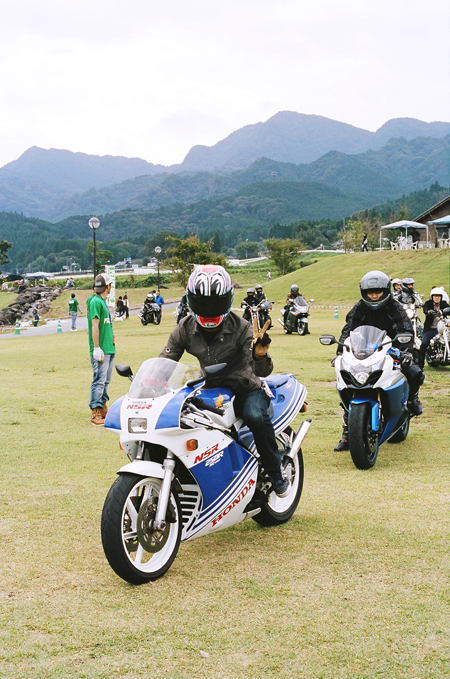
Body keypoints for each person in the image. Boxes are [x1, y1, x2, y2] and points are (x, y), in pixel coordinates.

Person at [159, 264, 290, 497]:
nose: (209, 310)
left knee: (255, 416)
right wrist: (152, 383)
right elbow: (166, 360)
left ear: (227, 299)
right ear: (191, 300)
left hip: (244, 389)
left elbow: (261, 370)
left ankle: (275, 472)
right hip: (208, 389)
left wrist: (260, 355)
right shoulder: (185, 327)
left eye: (215, 303)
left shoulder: (242, 327)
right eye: (203, 303)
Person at [333, 270, 424, 451]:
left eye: (378, 292)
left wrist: (405, 352)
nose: (374, 295)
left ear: (386, 291)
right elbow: (347, 330)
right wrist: (340, 353)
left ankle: (412, 398)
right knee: (346, 382)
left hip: (392, 348)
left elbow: (405, 329)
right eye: (370, 292)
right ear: (363, 293)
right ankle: (348, 432)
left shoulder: (394, 307)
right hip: (364, 350)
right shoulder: (359, 308)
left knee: (414, 371)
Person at [87, 273, 115, 427]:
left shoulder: (102, 301)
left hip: (109, 348)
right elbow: (94, 325)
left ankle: (103, 407)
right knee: (99, 380)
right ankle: (95, 412)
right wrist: (96, 348)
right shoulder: (96, 302)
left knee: (106, 380)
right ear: (108, 286)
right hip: (101, 349)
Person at [418, 288, 449, 369]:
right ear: (432, 297)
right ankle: (420, 364)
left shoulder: (444, 304)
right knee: (424, 343)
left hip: (442, 329)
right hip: (431, 329)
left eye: (439, 296)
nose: (437, 298)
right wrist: (428, 312)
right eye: (435, 296)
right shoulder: (428, 303)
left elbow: (448, 308)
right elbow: (425, 309)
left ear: (441, 297)